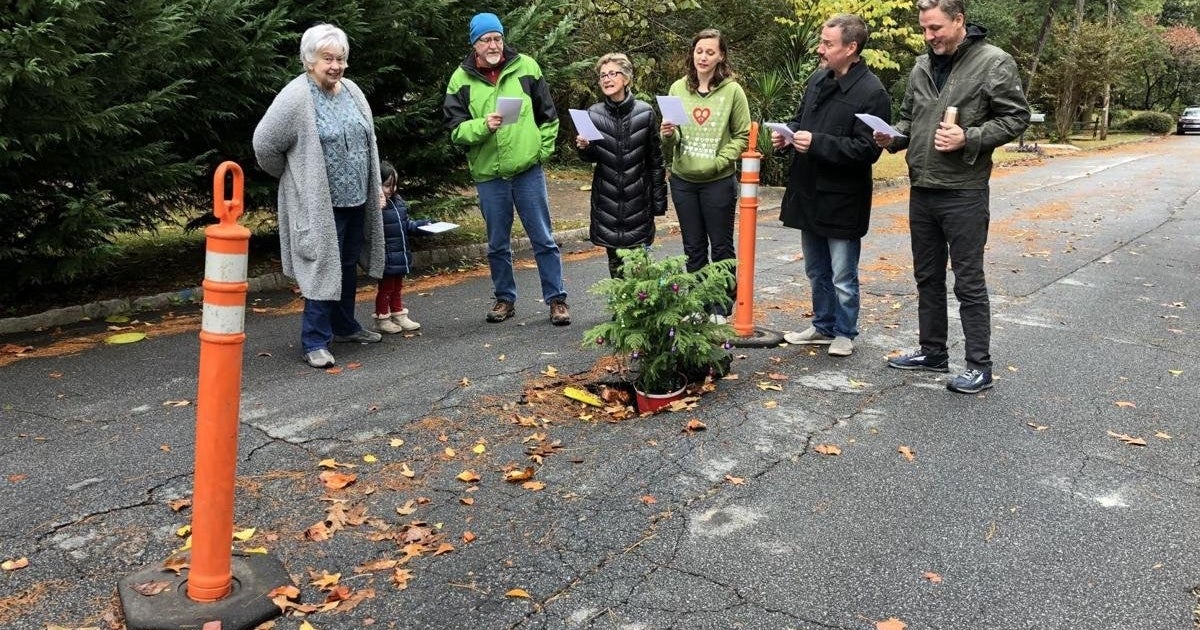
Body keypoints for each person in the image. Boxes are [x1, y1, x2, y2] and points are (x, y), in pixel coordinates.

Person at [875, 0, 1030, 393]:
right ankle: (933, 352)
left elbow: (1015, 117)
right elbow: (911, 118)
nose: (929, 37)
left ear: (959, 21)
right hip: (922, 188)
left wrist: (970, 137)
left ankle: (980, 366)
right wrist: (894, 136)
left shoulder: (994, 62)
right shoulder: (922, 65)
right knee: (927, 276)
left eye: (936, 28)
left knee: (968, 281)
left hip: (963, 191)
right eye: (924, 29)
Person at [253, 23, 387, 369]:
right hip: (320, 203)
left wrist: (374, 189)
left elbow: (367, 142)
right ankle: (315, 340)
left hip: (357, 199)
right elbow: (264, 144)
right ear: (309, 60)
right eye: (328, 58)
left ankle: (344, 326)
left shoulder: (353, 91)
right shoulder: (296, 97)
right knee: (321, 266)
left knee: (345, 264)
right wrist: (293, 177)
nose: (336, 65)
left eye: (340, 58)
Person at [442, 12, 570, 326]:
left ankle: (557, 300)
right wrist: (482, 126)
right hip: (489, 176)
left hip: (527, 171)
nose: (493, 44)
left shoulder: (526, 66)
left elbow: (549, 117)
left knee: (543, 238)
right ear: (474, 44)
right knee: (497, 243)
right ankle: (504, 299)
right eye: (486, 39)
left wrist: (541, 152)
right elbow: (456, 131)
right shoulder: (460, 79)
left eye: (497, 38)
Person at [774, 14, 890, 358]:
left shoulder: (872, 92)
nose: (820, 49)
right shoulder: (817, 79)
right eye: (822, 41)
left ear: (851, 48)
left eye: (828, 43)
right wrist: (788, 136)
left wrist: (819, 143)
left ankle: (845, 331)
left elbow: (869, 150)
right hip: (808, 191)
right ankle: (822, 325)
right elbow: (801, 120)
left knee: (842, 273)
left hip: (843, 198)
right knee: (815, 269)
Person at [660, 28, 750, 322]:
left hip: (717, 182)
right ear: (692, 53)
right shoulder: (677, 89)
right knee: (692, 246)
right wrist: (667, 135)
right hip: (684, 181)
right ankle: (699, 304)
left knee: (721, 245)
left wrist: (719, 161)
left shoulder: (732, 91)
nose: (703, 57)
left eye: (710, 52)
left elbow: (742, 134)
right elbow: (672, 142)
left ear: (721, 56)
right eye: (699, 51)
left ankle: (721, 306)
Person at [574, 52, 667, 278]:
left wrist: (658, 203)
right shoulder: (593, 113)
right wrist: (584, 147)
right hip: (607, 200)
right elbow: (591, 158)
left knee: (640, 266)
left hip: (639, 200)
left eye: (612, 73)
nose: (607, 79)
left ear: (626, 79)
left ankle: (642, 310)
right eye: (602, 75)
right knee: (616, 264)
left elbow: (656, 160)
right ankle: (620, 309)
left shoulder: (645, 112)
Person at [374, 161, 432, 334]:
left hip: (400, 254)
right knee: (386, 288)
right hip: (386, 255)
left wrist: (423, 226)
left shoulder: (398, 202)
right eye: (387, 185)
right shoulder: (376, 206)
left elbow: (406, 225)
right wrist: (377, 209)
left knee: (397, 287)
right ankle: (382, 317)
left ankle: (398, 313)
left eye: (394, 185)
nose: (391, 189)